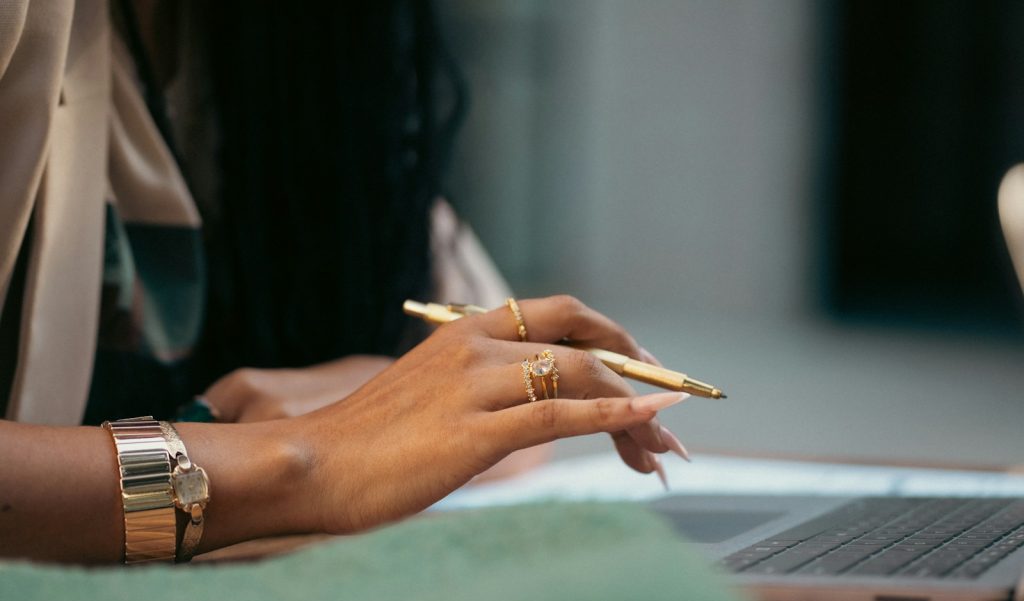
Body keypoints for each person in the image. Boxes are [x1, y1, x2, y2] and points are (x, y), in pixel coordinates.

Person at [0, 0, 690, 564]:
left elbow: (504, 385)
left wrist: (384, 395)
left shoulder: (316, 43)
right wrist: (292, 464)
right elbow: (326, 458)